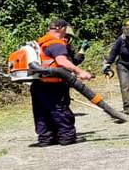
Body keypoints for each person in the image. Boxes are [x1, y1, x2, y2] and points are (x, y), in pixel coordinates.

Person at [31, 19, 93, 147]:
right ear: (61, 28)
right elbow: (62, 61)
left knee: (42, 112)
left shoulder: (41, 43)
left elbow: (70, 60)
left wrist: (81, 52)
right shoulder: (57, 43)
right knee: (59, 110)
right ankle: (66, 137)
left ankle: (46, 138)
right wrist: (80, 72)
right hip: (53, 85)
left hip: (38, 84)